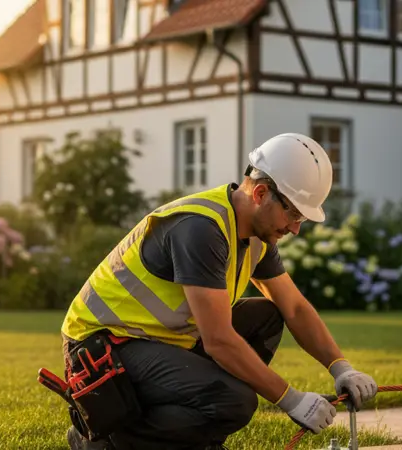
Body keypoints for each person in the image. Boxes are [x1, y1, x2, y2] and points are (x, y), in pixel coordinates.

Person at [60, 133, 378, 450]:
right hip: (102, 347)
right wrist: (291, 400)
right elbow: (219, 342)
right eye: (293, 213)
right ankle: (103, 444)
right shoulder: (201, 229)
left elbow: (293, 308)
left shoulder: (256, 235)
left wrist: (341, 367)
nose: (295, 228)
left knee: (267, 317)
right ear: (262, 193)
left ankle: (195, 439)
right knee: (234, 401)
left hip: (155, 340)